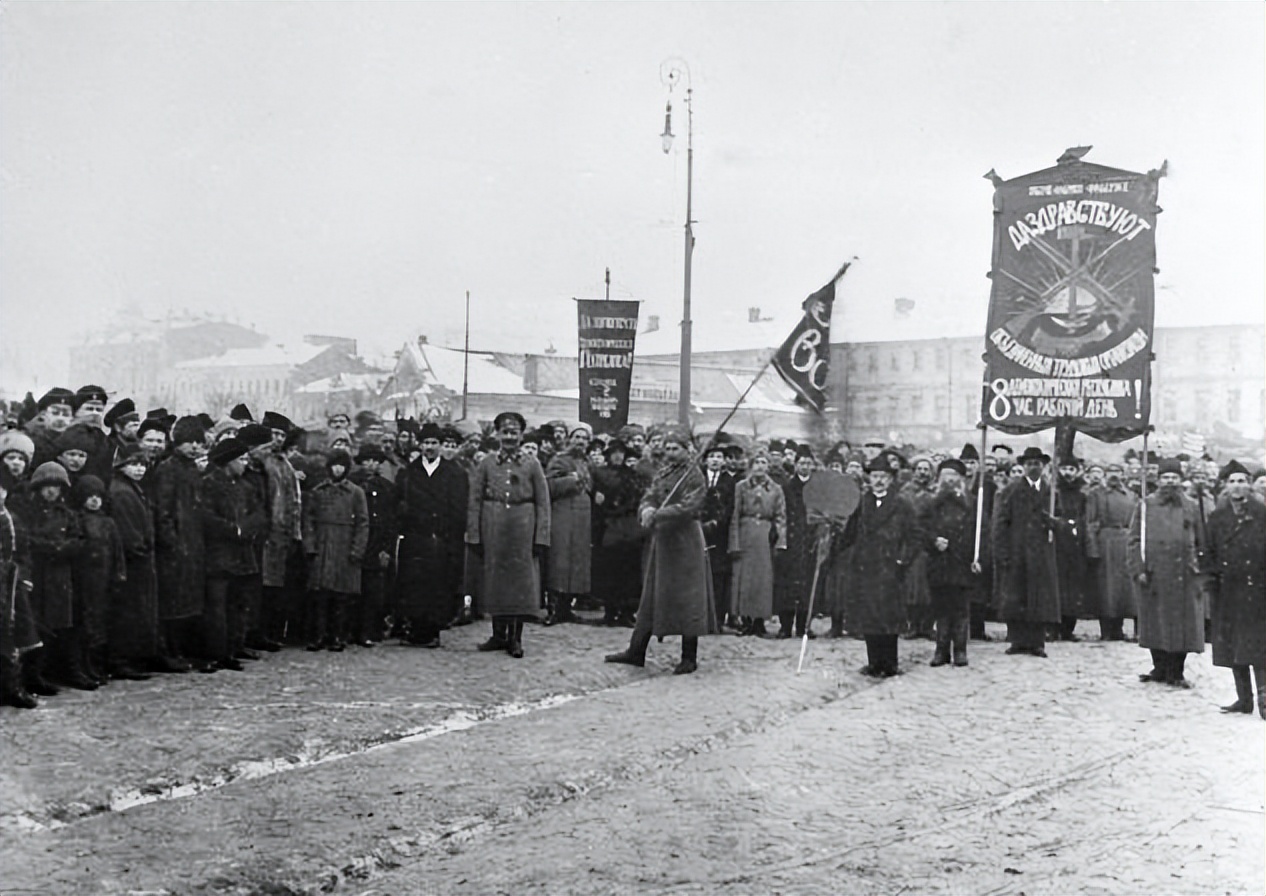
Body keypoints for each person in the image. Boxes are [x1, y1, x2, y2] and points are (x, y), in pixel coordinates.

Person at [606, 426, 717, 674]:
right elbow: (651, 495)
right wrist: (646, 508)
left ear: (687, 449)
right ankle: (636, 650)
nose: (670, 452)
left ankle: (689, 656)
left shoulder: (695, 475)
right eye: (667, 448)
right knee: (652, 593)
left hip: (686, 541)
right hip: (663, 540)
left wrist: (659, 514)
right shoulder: (664, 471)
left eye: (675, 448)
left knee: (688, 596)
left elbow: (689, 507)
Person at [467, 412, 550, 659]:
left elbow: (543, 502)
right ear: (497, 434)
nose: (510, 437)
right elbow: (474, 500)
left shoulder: (532, 464)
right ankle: (497, 635)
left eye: (514, 432)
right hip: (493, 525)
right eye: (505, 432)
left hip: (523, 526)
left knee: (519, 583)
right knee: (495, 580)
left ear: (521, 435)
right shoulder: (487, 463)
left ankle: (515, 637)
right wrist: (474, 534)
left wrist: (541, 537)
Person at [1128, 458, 1206, 687]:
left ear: (1181, 480)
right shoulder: (1145, 506)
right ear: (1158, 479)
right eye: (1166, 477)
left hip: (1185, 574)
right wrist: (1138, 568)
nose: (1170, 481)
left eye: (1174, 477)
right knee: (1155, 621)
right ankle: (1159, 668)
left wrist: (1200, 569)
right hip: (1155, 573)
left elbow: (1201, 540)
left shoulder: (1191, 506)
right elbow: (1134, 540)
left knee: (1183, 624)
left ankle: (1176, 671)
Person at [840, 456, 917, 676]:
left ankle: (890, 663)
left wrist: (903, 559)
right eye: (875, 476)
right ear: (869, 479)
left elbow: (914, 536)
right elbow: (849, 534)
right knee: (869, 616)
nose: (879, 481)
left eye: (883, 476)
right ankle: (873, 661)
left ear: (891, 479)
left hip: (890, 566)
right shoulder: (861, 503)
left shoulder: (901, 504)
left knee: (888, 616)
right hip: (865, 566)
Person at [394, 423, 468, 647]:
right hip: (416, 536)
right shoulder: (409, 472)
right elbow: (400, 503)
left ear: (441, 445)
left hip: (441, 537)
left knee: (439, 584)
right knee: (415, 583)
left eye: (434, 443)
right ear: (420, 445)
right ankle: (416, 630)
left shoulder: (455, 473)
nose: (430, 447)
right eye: (426, 443)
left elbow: (459, 508)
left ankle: (433, 631)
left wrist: (451, 536)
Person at [1204, 460, 1266, 717]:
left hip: (1257, 588)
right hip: (1227, 588)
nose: (1237, 486)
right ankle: (1244, 699)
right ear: (1225, 486)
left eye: (1242, 481)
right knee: (1232, 644)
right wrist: (1211, 579)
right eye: (1232, 481)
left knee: (1258, 644)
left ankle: (1264, 698)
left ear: (1250, 485)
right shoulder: (1217, 518)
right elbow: (1209, 550)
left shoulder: (1261, 514)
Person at [201, 437, 267, 671]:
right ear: (228, 461)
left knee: (237, 606)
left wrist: (247, 529)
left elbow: (259, 514)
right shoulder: (209, 484)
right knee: (217, 608)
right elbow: (207, 517)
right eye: (241, 459)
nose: (245, 464)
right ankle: (215, 653)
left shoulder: (246, 487)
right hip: (218, 557)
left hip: (242, 556)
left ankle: (233, 648)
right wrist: (234, 530)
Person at [152, 416, 212, 671]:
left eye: (198, 442)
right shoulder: (168, 469)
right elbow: (163, 511)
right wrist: (173, 543)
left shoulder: (192, 470)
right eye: (189, 442)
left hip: (193, 544)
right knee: (173, 604)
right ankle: (171, 652)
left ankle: (186, 651)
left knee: (190, 602)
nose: (195, 447)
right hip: (176, 548)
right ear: (177, 442)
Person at [25, 461, 88, 690]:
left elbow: (79, 540)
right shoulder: (30, 514)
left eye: (56, 486)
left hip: (63, 575)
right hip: (38, 574)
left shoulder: (68, 515)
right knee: (40, 623)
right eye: (47, 486)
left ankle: (69, 670)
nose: (51, 491)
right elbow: (27, 540)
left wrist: (63, 549)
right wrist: (52, 548)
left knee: (65, 622)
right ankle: (36, 674)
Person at [992, 446, 1061, 658]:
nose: (1033, 467)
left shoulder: (1051, 493)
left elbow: (1063, 522)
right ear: (1023, 466)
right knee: (1016, 597)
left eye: (1037, 464)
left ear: (1044, 466)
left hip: (1041, 553)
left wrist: (1054, 523)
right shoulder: (1011, 491)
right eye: (1029, 464)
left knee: (1039, 598)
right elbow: (1001, 523)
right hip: (1017, 551)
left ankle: (1037, 642)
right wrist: (1002, 552)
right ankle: (1017, 641)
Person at [301, 450, 369, 651]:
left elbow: (363, 523)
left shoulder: (356, 493)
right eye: (334, 465)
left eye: (341, 465)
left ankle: (338, 636)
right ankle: (319, 635)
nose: (337, 469)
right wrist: (310, 546)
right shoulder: (318, 491)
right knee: (320, 595)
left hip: (344, 548)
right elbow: (308, 521)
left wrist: (357, 550)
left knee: (342, 595)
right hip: (322, 546)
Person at [106, 444, 161, 678]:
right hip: (132, 561)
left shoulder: (132, 488)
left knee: (136, 611)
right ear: (122, 465)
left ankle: (131, 658)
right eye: (134, 464)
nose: (139, 469)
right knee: (128, 611)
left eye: (142, 465)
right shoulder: (122, 492)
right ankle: (122, 660)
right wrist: (140, 549)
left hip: (138, 558)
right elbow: (128, 531)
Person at [922, 458, 982, 667]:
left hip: (963, 562)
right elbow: (920, 528)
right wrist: (933, 541)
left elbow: (981, 531)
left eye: (953, 475)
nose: (949, 479)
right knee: (941, 608)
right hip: (939, 561)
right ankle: (941, 650)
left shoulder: (973, 503)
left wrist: (978, 558)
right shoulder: (930, 502)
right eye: (945, 475)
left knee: (961, 609)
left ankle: (960, 650)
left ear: (962, 479)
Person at [70, 475, 125, 685]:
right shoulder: (77, 520)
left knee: (103, 621)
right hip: (86, 580)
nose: (94, 500)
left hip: (105, 579)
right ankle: (86, 665)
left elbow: (117, 551)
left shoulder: (108, 523)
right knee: (87, 622)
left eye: (98, 496)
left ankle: (99, 665)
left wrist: (119, 574)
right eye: (89, 496)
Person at [728, 450, 787, 637]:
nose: (760, 466)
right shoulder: (741, 487)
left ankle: (760, 621)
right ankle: (745, 620)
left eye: (763, 462)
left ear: (768, 466)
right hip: (745, 533)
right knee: (744, 578)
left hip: (765, 536)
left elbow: (781, 517)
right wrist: (734, 542)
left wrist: (781, 541)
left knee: (762, 579)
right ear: (751, 465)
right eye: (756, 462)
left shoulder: (776, 489)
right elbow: (735, 514)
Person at [544, 424, 594, 626]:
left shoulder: (587, 462)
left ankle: (566, 608)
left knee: (577, 562)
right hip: (563, 514)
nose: (580, 441)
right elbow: (548, 486)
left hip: (582, 518)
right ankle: (554, 608)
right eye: (577, 437)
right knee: (560, 559)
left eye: (584, 438)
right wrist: (570, 480)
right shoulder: (559, 460)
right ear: (569, 439)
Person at [591, 439, 645, 627]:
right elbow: (594, 497)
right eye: (614, 452)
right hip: (607, 526)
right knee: (608, 570)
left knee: (629, 570)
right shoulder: (599, 473)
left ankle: (627, 612)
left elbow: (637, 498)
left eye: (621, 453)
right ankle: (610, 611)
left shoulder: (633, 475)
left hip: (628, 525)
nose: (617, 456)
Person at [349, 442, 397, 645]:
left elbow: (391, 521)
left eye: (375, 461)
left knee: (373, 590)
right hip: (355, 540)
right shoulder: (352, 484)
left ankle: (369, 631)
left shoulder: (387, 488)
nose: (370, 465)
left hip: (377, 542)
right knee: (352, 587)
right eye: (367, 461)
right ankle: (350, 630)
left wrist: (386, 548)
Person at [1086, 462, 1137, 640]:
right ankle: (1107, 629)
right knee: (1107, 587)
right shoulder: (1096, 495)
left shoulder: (1131, 495)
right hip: (1105, 541)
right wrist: (1092, 547)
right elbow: (1090, 522)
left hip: (1125, 541)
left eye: (1117, 471)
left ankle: (1119, 628)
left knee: (1124, 588)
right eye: (1110, 471)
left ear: (1123, 474)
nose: (1114, 475)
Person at [775, 445, 818, 639]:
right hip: (791, 541)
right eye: (802, 463)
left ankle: (803, 626)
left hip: (810, 541)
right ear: (795, 465)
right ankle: (785, 626)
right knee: (787, 586)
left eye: (808, 463)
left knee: (807, 586)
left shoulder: (818, 488)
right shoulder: (786, 487)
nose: (805, 466)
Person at [1053, 457, 1092, 641]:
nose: (1067, 473)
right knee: (1057, 585)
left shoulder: (1082, 495)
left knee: (1074, 587)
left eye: (1071, 469)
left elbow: (1086, 518)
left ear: (1077, 472)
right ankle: (1053, 627)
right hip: (1057, 543)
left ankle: (1069, 628)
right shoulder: (1053, 493)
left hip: (1076, 544)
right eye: (1064, 469)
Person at [700, 442, 735, 630]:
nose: (715, 460)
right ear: (705, 460)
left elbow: (730, 507)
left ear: (724, 462)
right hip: (697, 531)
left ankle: (718, 619)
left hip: (720, 535)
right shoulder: (698, 479)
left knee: (719, 575)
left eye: (719, 457)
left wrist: (716, 523)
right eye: (712, 457)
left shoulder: (729, 482)